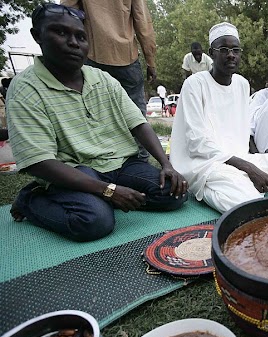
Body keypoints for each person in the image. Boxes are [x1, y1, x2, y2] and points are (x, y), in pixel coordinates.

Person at [6, 3, 188, 242]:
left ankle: (96, 199)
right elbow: (39, 162)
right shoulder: (25, 89)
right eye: (61, 33)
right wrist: (108, 191)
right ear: (37, 36)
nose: (74, 43)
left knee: (175, 193)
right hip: (75, 170)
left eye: (81, 36)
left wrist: (166, 164)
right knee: (94, 222)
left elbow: (138, 124)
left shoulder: (103, 79)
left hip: (121, 165)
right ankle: (31, 199)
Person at [170, 22, 268, 213]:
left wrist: (250, 164)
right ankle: (231, 187)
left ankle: (242, 182)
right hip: (205, 164)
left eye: (235, 50)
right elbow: (197, 143)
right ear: (211, 53)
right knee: (246, 200)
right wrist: (249, 168)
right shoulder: (194, 84)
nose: (231, 54)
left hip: (239, 159)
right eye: (224, 49)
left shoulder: (242, 84)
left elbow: (242, 133)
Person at [61, 0, 158, 160]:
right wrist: (150, 60)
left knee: (94, 115)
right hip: (126, 57)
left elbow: (67, 13)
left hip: (92, 53)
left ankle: (101, 161)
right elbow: (143, 22)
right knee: (136, 116)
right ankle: (141, 162)